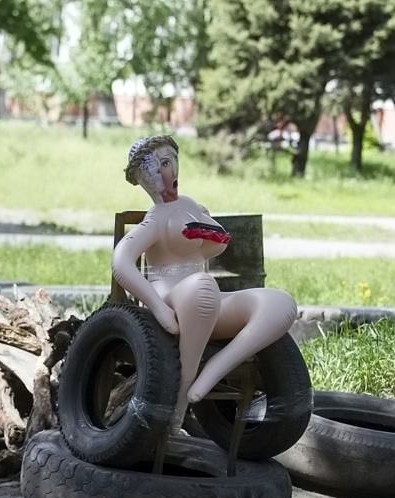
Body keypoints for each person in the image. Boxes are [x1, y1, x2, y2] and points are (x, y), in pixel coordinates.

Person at [113, 135, 298, 431]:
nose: (166, 173)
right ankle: (183, 396)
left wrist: (204, 219)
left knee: (280, 302)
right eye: (155, 167)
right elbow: (121, 261)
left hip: (206, 296)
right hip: (173, 294)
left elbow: (215, 242)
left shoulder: (190, 206)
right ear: (142, 177)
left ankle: (214, 369)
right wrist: (158, 307)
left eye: (169, 161)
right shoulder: (156, 218)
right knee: (201, 286)